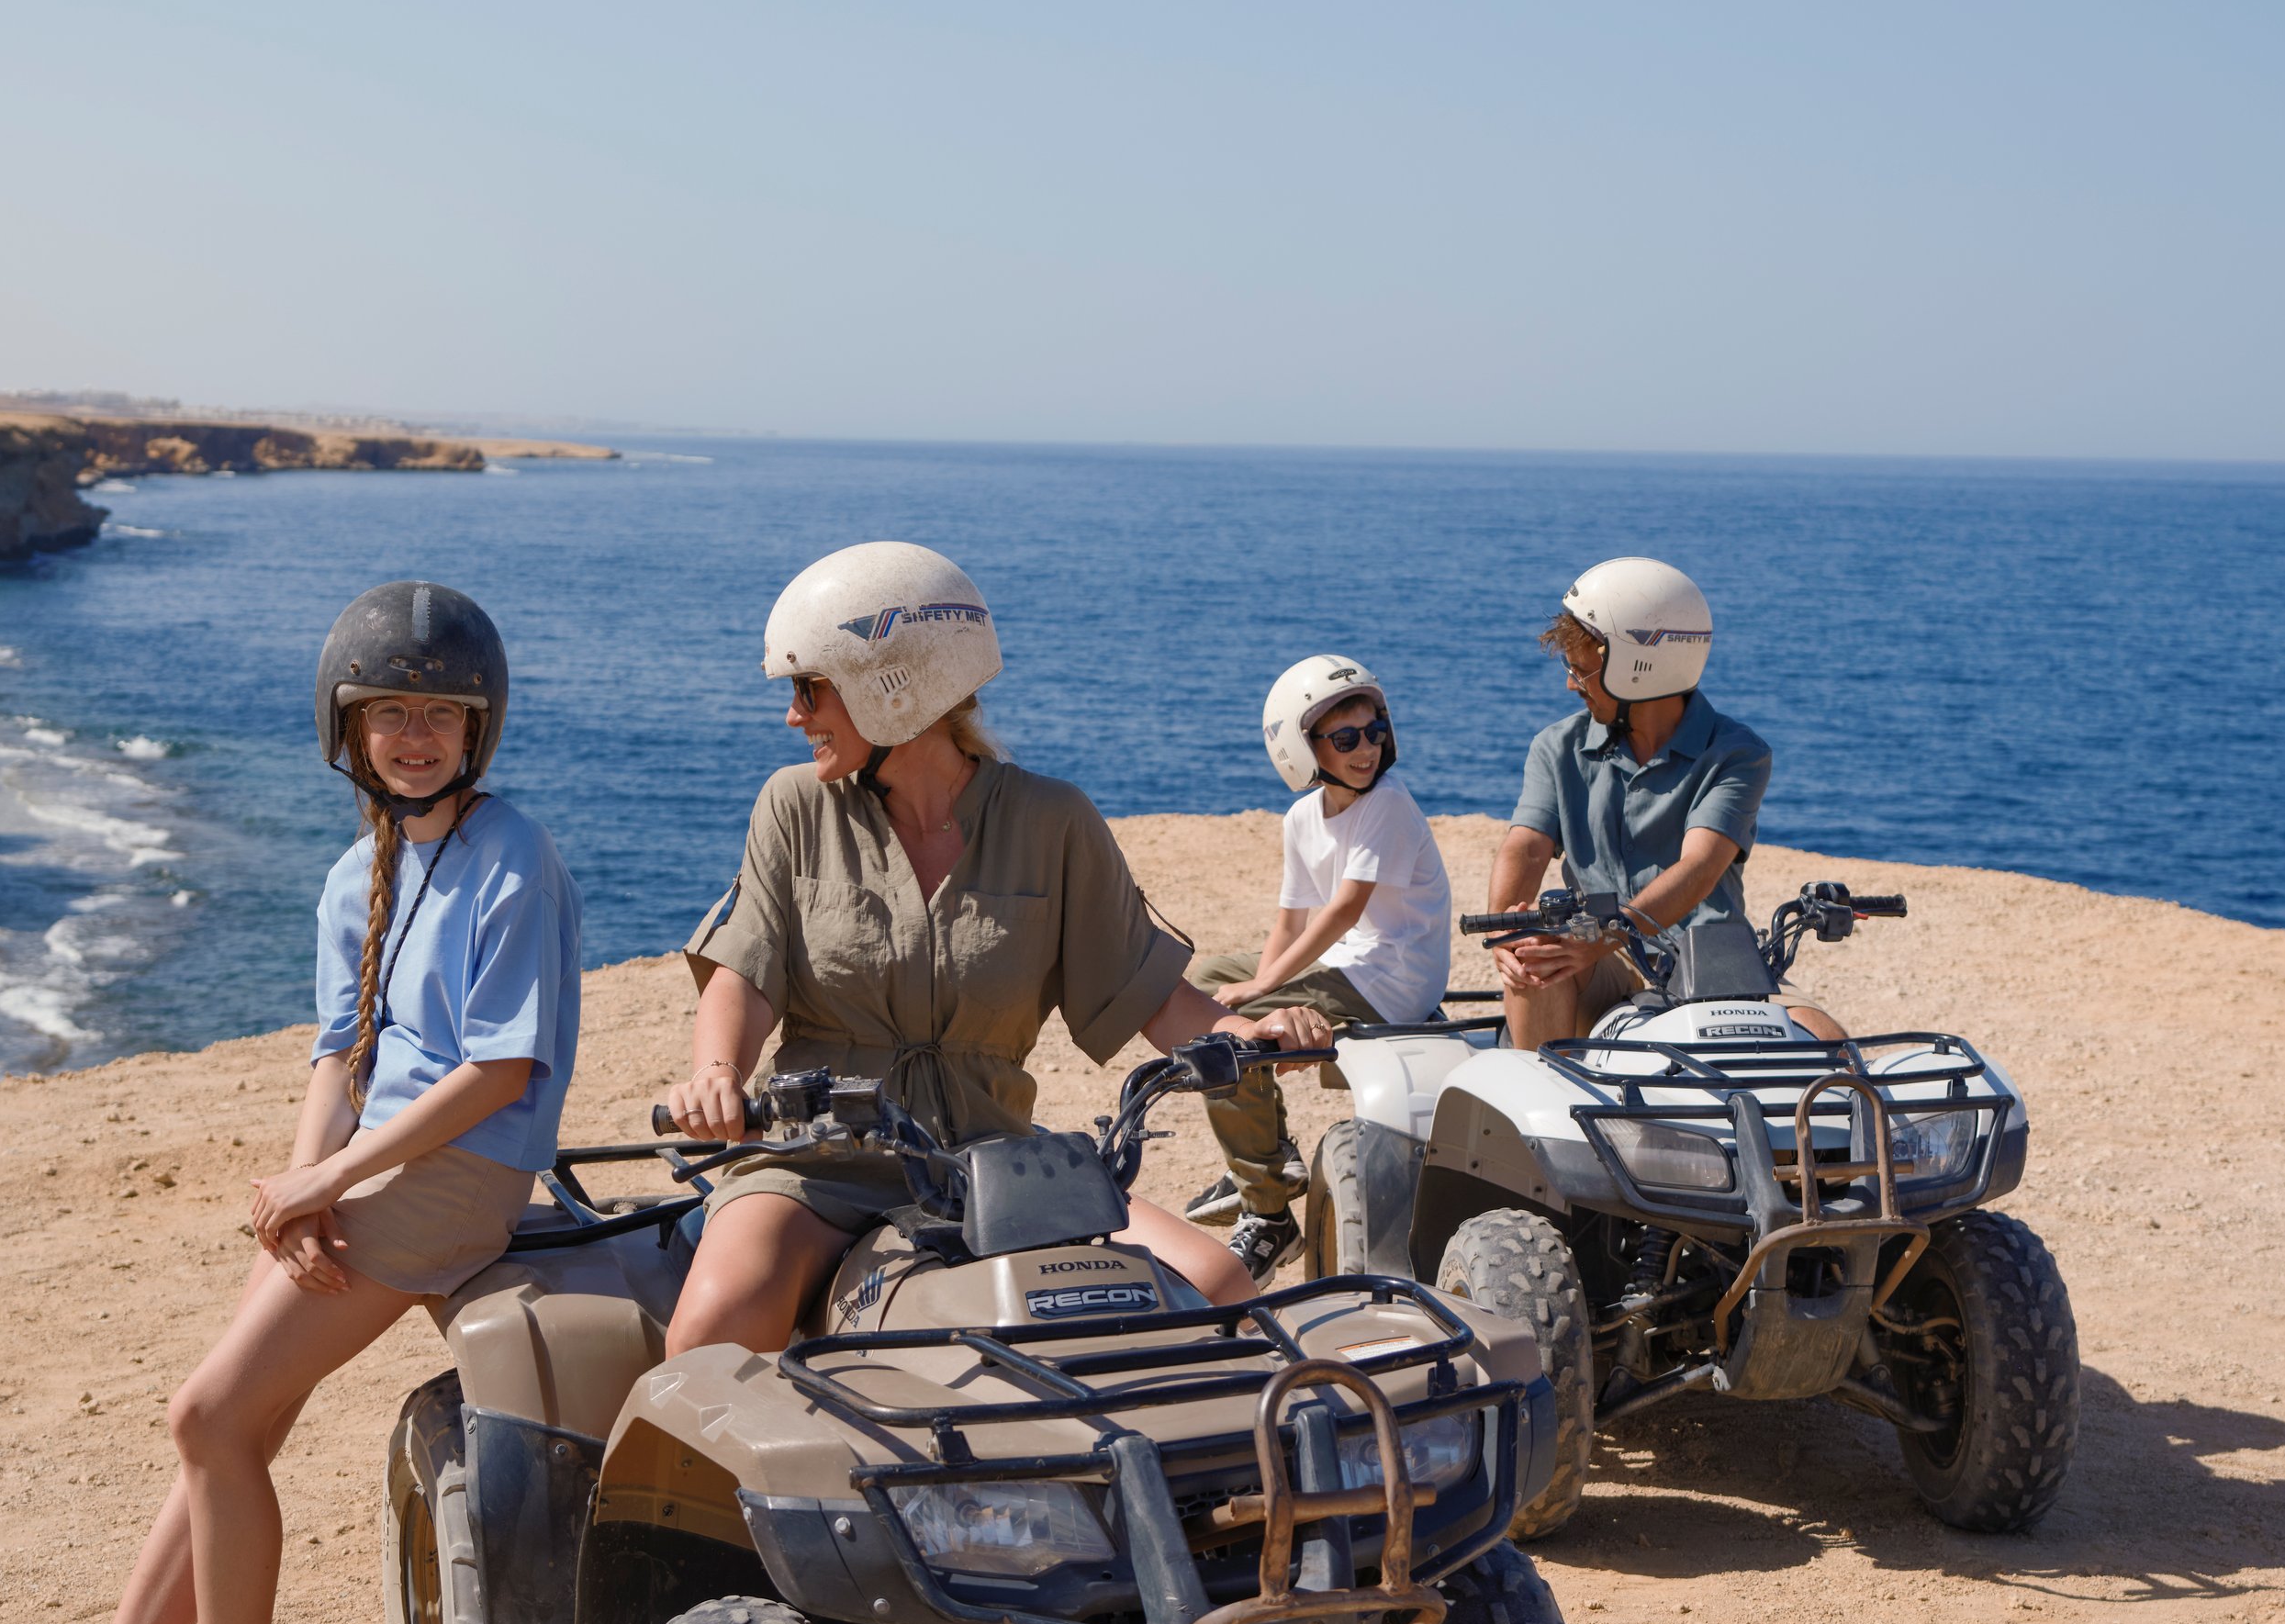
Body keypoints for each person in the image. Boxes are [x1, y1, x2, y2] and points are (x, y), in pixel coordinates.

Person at [0, 583, 582, 1624]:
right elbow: (339, 1051)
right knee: (230, 1431)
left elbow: (498, 1071)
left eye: (441, 711)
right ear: (349, 727)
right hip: (368, 1172)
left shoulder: (513, 854)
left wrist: (328, 1183)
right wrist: (299, 1191)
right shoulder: (358, 875)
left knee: (206, 1417)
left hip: (459, 1173)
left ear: (478, 729)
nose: (415, 733)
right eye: (390, 709)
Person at [659, 541, 1324, 1354]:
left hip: (994, 1164)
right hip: (821, 1159)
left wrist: (1248, 1038)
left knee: (1217, 1288)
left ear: (892, 688)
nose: (793, 715)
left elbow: (1154, 996)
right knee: (712, 1331)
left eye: (809, 688)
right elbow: (745, 970)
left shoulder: (1053, 822)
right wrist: (717, 1073)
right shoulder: (795, 806)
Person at [1194, 654, 1454, 1279]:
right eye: (1345, 739)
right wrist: (1259, 981)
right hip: (1346, 966)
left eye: (1374, 732)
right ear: (1302, 747)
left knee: (1223, 1029)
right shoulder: (1302, 819)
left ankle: (1266, 1209)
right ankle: (1270, 1154)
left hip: (1390, 982)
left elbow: (1342, 910)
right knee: (1202, 987)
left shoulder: (1386, 803)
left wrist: (1262, 986)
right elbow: (1291, 922)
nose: (1366, 749)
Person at [1485, 556, 1789, 1050]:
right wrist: (1506, 930)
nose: (1570, 684)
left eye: (1581, 671)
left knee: (1827, 1041)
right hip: (1606, 965)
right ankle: (1542, 1121)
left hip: (1713, 962)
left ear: (1641, 671)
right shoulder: (1556, 746)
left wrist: (1601, 936)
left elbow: (1700, 867)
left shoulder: (1737, 754)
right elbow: (1526, 848)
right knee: (1535, 956)